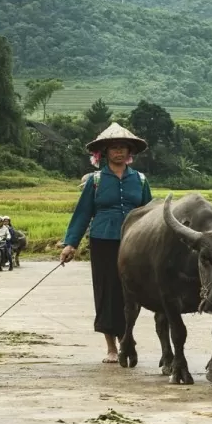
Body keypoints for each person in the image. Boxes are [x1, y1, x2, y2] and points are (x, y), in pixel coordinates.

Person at [60, 122, 153, 364]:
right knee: (106, 291)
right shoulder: (96, 181)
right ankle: (111, 346)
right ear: (104, 153)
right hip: (103, 240)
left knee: (131, 292)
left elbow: (149, 213)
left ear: (130, 152)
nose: (119, 152)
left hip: (134, 243)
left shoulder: (141, 181)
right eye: (114, 148)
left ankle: (127, 339)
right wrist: (71, 243)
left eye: (123, 148)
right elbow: (82, 213)